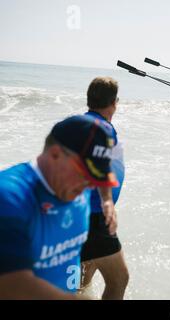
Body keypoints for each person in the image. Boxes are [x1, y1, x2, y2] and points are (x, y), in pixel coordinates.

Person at [0, 115, 118, 299]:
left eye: (96, 178)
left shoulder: (75, 186)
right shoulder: (10, 197)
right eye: (86, 175)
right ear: (55, 154)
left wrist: (107, 200)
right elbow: (11, 284)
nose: (90, 186)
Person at [79, 77, 129, 300]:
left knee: (81, 273)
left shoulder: (82, 123)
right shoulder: (102, 129)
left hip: (80, 215)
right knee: (119, 279)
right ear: (114, 103)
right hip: (94, 217)